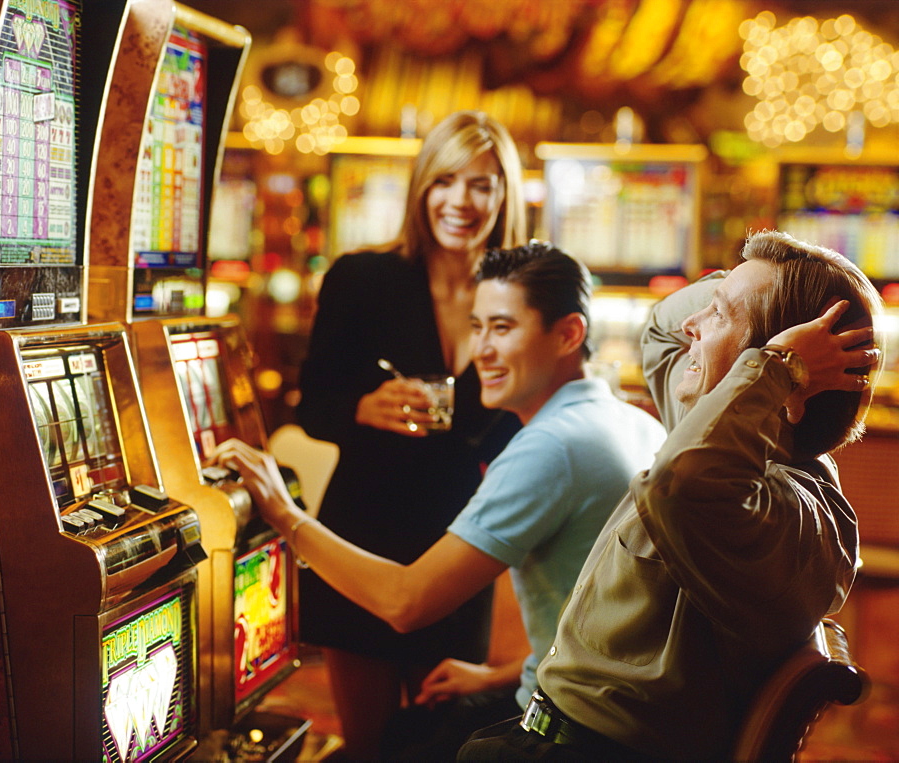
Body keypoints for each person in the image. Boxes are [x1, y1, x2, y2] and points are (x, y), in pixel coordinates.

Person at [214, 242, 667, 759]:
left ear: (568, 335)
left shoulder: (552, 445)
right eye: (476, 327)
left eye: (503, 328)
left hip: (564, 731)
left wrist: (282, 513)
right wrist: (502, 672)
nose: (482, 351)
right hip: (612, 710)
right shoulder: (630, 419)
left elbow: (405, 603)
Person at [457, 229, 883, 761]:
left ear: (786, 380)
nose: (692, 325)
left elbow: (677, 485)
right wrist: (757, 283)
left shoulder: (783, 506)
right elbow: (661, 329)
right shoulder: (736, 441)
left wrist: (782, 364)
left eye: (719, 315)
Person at [283, 110, 528, 759]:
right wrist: (363, 406)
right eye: (445, 180)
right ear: (422, 188)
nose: (461, 201)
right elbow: (313, 406)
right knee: (367, 746)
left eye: (481, 184)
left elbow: (524, 422)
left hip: (461, 544)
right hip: (363, 533)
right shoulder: (362, 279)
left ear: (506, 195)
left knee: (444, 740)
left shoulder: (518, 295)